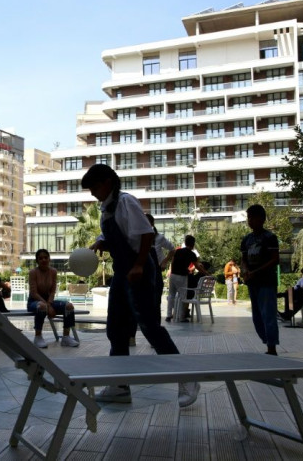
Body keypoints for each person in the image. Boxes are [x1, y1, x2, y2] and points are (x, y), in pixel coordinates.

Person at [81, 164, 199, 407]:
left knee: (149, 327)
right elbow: (118, 234)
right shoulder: (107, 209)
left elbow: (145, 234)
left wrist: (138, 266)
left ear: (107, 183)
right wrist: (100, 243)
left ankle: (187, 378)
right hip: (122, 273)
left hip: (139, 271)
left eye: (94, 187)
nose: (92, 192)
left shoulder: (126, 202)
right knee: (115, 328)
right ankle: (120, 384)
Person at [129, 214, 175, 346]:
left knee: (155, 304)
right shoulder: (136, 238)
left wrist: (165, 261)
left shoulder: (159, 238)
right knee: (134, 304)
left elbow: (172, 249)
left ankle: (155, 338)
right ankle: (131, 336)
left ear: (152, 224)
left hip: (155, 274)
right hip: (139, 273)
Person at [240, 204, 280, 355]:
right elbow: (243, 259)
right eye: (248, 217)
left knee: (268, 315)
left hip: (266, 282)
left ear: (262, 219)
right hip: (252, 283)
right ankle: (267, 341)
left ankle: (272, 347)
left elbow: (275, 260)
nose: (250, 220)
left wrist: (256, 271)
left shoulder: (270, 238)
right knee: (257, 318)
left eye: (253, 217)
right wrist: (245, 270)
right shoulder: (246, 240)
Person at [28, 249, 80, 348]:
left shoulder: (53, 271)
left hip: (49, 301)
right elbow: (34, 293)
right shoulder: (33, 272)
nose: (43, 260)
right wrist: (47, 306)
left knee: (69, 306)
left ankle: (66, 337)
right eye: (40, 258)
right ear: (37, 261)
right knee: (41, 306)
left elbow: (52, 291)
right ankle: (38, 337)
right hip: (34, 301)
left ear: (49, 259)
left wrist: (49, 304)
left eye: (45, 257)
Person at [166, 235, 208, 322]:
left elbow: (173, 262)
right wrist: (207, 273)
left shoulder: (177, 251)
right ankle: (181, 317)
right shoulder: (192, 254)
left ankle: (169, 315)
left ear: (185, 243)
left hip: (173, 275)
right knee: (183, 296)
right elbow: (198, 267)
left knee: (171, 295)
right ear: (193, 245)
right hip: (182, 276)